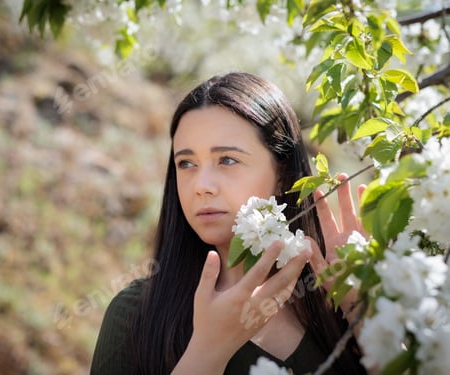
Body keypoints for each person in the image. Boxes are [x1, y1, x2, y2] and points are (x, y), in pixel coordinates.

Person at [90, 72, 367, 375]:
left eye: (227, 160)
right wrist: (209, 350)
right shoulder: (135, 317)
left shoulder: (335, 299)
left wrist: (363, 312)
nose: (201, 185)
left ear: (282, 173)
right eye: (186, 163)